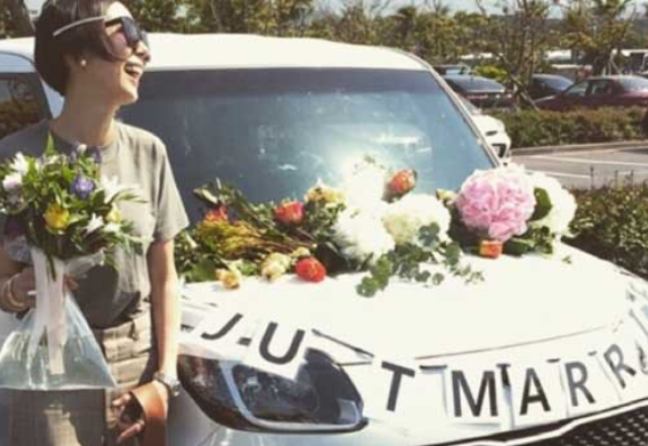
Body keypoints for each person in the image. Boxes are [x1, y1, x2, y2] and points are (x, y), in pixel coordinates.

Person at [0, 0, 189, 444]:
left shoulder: (149, 152)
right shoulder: (14, 158)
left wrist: (164, 379)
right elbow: (1, 282)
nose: (142, 49)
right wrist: (18, 290)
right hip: (50, 370)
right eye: (126, 31)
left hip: (135, 367)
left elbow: (165, 279)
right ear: (75, 54)